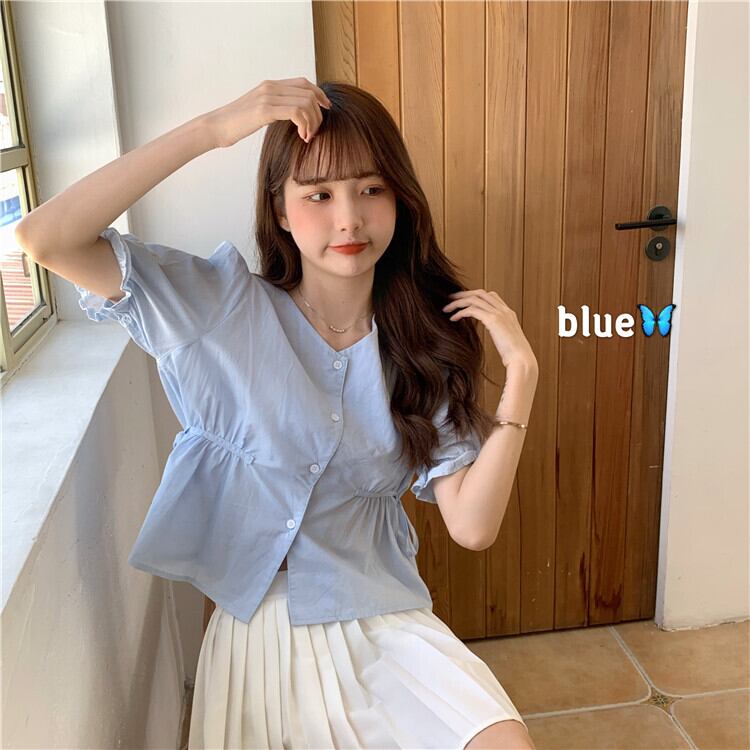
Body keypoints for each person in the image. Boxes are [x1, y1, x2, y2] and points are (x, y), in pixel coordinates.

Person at [17, 77, 538, 750]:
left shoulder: (420, 346)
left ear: (400, 201)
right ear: (281, 212)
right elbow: (46, 238)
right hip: (258, 627)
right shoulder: (218, 310)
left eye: (371, 189)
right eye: (319, 195)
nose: (349, 219)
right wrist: (214, 128)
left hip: (384, 620)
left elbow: (472, 525)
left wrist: (522, 379)